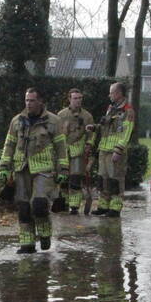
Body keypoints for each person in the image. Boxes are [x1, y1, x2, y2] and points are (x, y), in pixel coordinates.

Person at [0, 88, 68, 253]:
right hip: (21, 168)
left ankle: (44, 233)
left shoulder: (53, 121)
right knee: (23, 207)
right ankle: (27, 243)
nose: (28, 104)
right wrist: (4, 167)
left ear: (40, 101)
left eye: (32, 100)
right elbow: (9, 145)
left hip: (44, 169)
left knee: (39, 204)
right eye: (26, 100)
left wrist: (63, 170)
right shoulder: (17, 121)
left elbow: (61, 147)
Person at [86, 82, 135, 217]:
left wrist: (119, 149)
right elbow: (105, 126)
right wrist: (95, 127)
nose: (109, 95)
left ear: (119, 93)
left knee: (115, 180)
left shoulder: (128, 111)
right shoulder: (111, 108)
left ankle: (115, 208)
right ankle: (103, 206)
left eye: (111, 92)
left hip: (115, 151)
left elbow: (127, 132)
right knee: (103, 179)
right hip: (104, 149)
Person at [56, 89, 94, 215]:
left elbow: (92, 134)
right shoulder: (61, 115)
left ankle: (74, 206)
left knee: (75, 178)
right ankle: (64, 203)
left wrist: (89, 144)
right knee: (63, 179)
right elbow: (55, 133)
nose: (78, 101)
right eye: (75, 98)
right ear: (69, 99)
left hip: (78, 151)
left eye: (80, 98)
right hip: (63, 151)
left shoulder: (87, 116)